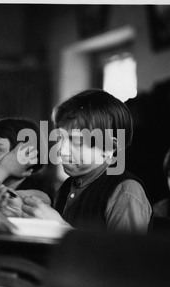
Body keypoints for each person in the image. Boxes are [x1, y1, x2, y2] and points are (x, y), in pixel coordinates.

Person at [20, 89, 152, 235]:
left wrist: (59, 227)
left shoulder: (125, 191)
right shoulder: (67, 187)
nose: (61, 151)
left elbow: (125, 256)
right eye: (60, 139)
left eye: (76, 141)